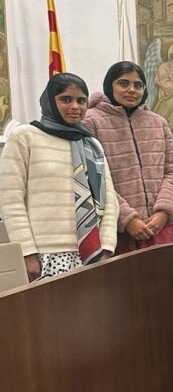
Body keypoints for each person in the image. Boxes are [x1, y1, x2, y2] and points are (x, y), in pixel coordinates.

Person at [0, 73, 117, 281]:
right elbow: (10, 199)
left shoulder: (91, 144)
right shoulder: (25, 136)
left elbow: (110, 200)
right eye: (66, 99)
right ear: (49, 101)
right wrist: (26, 252)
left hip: (92, 253)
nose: (75, 106)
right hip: (44, 255)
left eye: (81, 100)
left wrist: (106, 247)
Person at [83, 62, 173, 253]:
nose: (131, 90)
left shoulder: (158, 122)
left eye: (138, 85)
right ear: (109, 85)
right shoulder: (91, 122)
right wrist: (127, 218)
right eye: (123, 83)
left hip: (161, 228)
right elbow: (93, 179)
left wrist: (164, 211)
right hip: (117, 232)